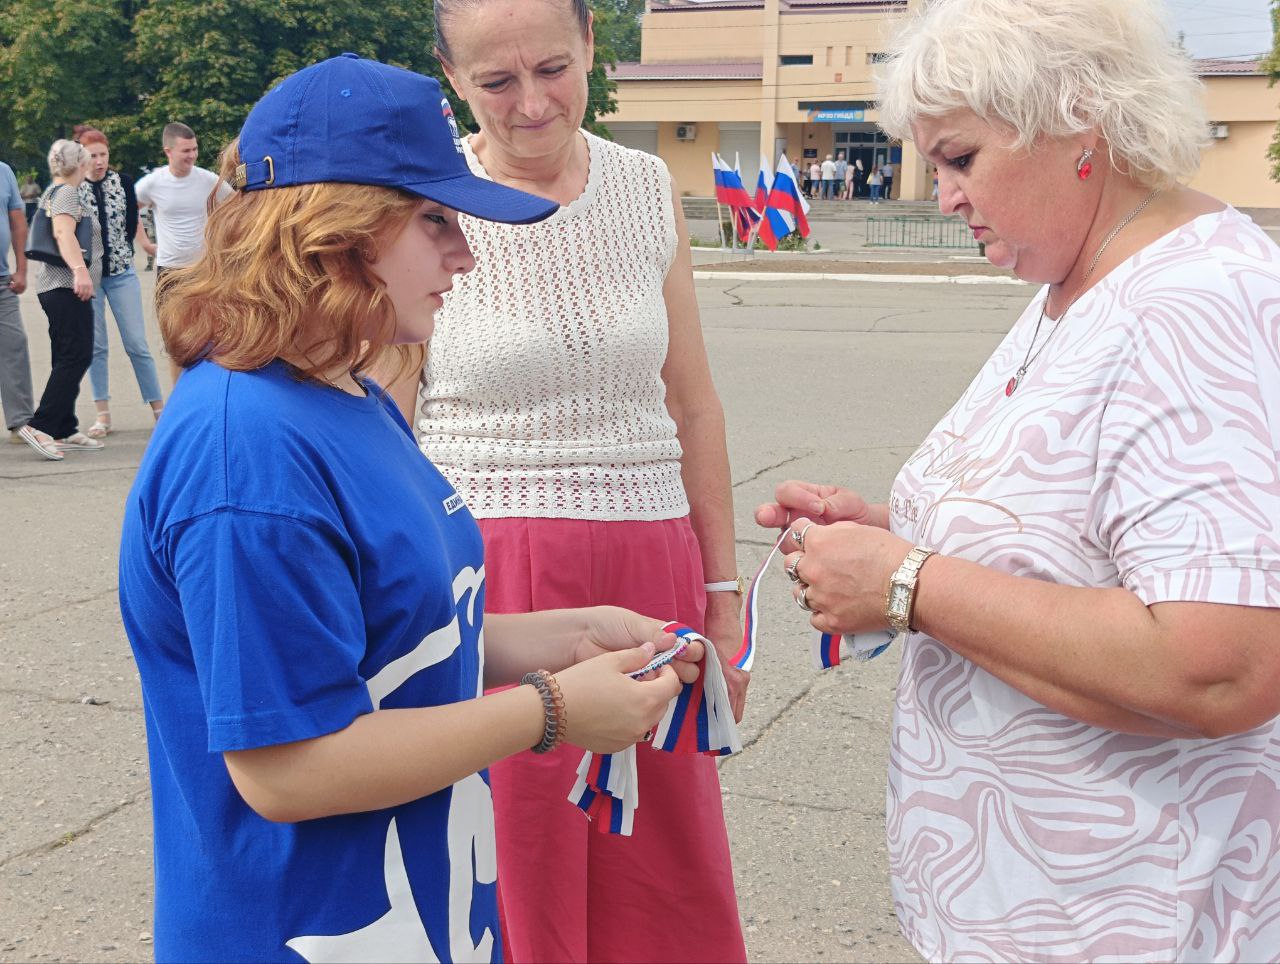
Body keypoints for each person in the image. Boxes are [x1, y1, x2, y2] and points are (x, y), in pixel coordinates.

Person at [118, 53, 702, 962]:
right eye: (436, 222)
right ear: (334, 231)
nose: (467, 255)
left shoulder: (345, 390)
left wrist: (572, 634)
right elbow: (286, 767)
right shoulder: (249, 458)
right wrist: (550, 710)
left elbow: (400, 636)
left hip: (416, 915)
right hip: (302, 931)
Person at [757, 0, 1280, 959]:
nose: (942, 194)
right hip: (1037, 907)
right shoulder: (1075, 279)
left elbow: (1224, 662)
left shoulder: (1194, 306)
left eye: (960, 158)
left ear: (1078, 123)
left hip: (1137, 918)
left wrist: (908, 581)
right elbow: (1080, 541)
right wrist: (883, 533)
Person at [374, 2, 748, 961]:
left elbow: (694, 402)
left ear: (593, 47)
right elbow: (391, 422)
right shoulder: (428, 193)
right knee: (516, 852)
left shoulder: (644, 183)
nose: (533, 104)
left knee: (658, 861)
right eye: (497, 82)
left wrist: (721, 586)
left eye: (554, 68)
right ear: (451, 77)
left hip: (651, 563)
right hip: (498, 567)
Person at [16, 140, 103, 460]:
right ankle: (41, 425)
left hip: (56, 287)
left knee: (66, 353)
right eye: (87, 160)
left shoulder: (53, 190)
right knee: (76, 354)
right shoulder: (67, 192)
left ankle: (64, 425)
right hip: (66, 286)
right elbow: (64, 234)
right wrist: (80, 271)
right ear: (79, 164)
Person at [77, 129, 164, 437]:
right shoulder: (73, 188)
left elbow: (133, 218)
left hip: (122, 273)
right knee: (96, 346)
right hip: (90, 279)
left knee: (137, 344)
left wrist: (144, 244)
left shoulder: (124, 182)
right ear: (82, 156)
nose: (99, 162)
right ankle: (103, 414)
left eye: (103, 155)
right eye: (93, 155)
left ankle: (158, 409)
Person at [135, 122, 231, 383]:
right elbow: (130, 207)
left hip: (203, 269)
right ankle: (178, 399)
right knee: (175, 342)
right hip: (170, 271)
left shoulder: (208, 180)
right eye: (185, 151)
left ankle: (208, 394)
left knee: (210, 337)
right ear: (169, 151)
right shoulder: (152, 183)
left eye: (194, 149)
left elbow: (236, 207)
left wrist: (222, 242)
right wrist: (144, 243)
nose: (191, 155)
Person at [1, 158, 35, 446]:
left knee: (14, 346)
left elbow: (17, 222)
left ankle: (21, 422)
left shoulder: (4, 172)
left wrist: (21, 268)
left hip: (2, 282)